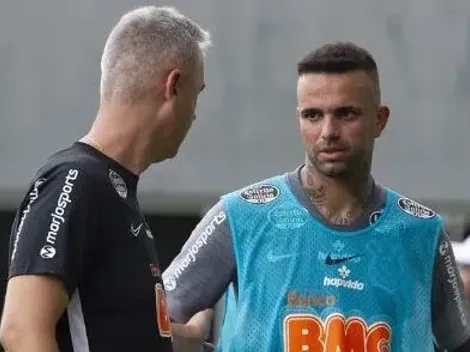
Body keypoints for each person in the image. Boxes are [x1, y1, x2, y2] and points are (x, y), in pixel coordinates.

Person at [162, 42, 470, 351]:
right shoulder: (240, 216)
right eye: (312, 115)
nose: (328, 131)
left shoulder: (421, 232)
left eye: (346, 114)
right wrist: (188, 341)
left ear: (380, 120)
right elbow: (149, 322)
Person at [0, 5, 211, 352]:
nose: (195, 113)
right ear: (173, 86)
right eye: (197, 93)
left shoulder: (114, 189)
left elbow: (116, 329)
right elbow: (22, 331)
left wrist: (190, 336)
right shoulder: (74, 180)